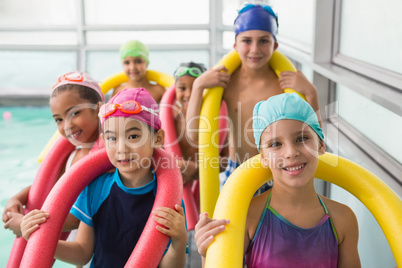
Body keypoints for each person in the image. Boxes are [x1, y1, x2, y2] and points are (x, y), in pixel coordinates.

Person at [21, 88, 188, 268]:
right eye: (112, 138)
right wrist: (38, 240)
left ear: (158, 138)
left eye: (133, 136)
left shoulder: (168, 198)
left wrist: (179, 240)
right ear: (103, 140)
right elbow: (82, 253)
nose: (122, 149)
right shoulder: (96, 188)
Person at [194, 93, 361, 267]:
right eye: (275, 144)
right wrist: (208, 254)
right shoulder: (246, 217)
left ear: (320, 145)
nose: (291, 152)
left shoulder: (343, 220)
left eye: (302, 138)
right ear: (263, 157)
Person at [186, 4, 320, 192]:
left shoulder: (286, 84)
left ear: (275, 45)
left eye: (264, 41)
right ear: (235, 45)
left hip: (279, 171)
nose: (255, 49)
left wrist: (311, 93)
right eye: (247, 41)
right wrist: (198, 86)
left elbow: (314, 136)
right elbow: (194, 135)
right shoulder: (227, 82)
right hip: (238, 170)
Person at [2, 71, 104, 239]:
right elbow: (53, 186)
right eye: (59, 119)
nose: (67, 126)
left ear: (98, 109)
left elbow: (82, 215)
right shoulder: (74, 154)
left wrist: (25, 224)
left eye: (74, 113)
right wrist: (16, 198)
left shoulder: (108, 157)